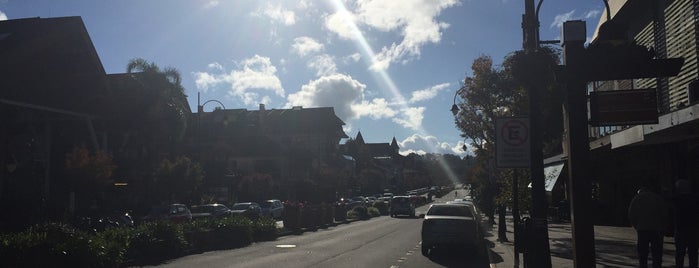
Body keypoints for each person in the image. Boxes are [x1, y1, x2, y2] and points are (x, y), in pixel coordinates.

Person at [628, 185, 668, 268]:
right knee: (656, 254)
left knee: (643, 254)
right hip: (656, 229)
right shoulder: (657, 198)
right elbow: (664, 214)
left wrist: (636, 225)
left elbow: (631, 214)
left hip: (642, 228)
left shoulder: (636, 199)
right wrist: (663, 226)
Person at [672, 179, 699, 268]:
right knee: (693, 253)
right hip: (694, 228)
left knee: (680, 253)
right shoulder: (695, 199)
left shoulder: (676, 200)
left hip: (680, 229)